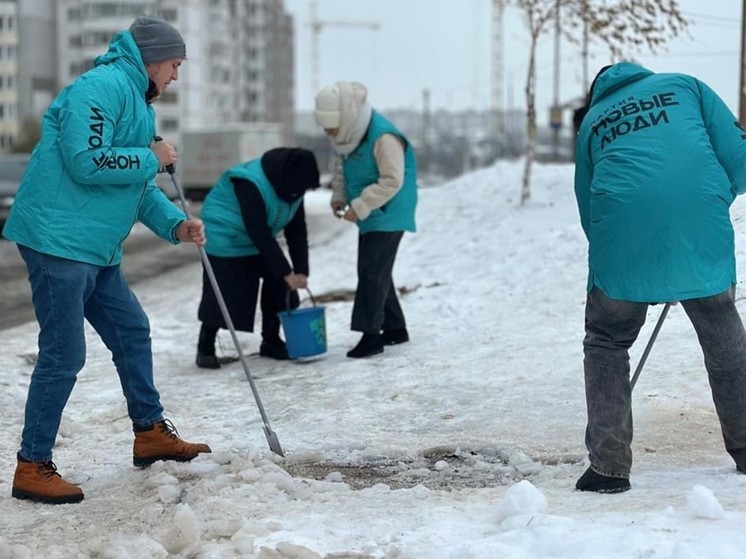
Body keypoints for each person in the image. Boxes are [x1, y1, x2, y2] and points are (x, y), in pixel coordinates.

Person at [2, 16, 212, 505]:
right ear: (154, 58)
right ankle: (32, 465)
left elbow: (135, 184)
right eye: (175, 65)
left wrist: (175, 224)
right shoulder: (99, 88)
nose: (176, 76)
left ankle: (150, 432)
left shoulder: (137, 104)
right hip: (58, 239)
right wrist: (151, 157)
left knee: (131, 329)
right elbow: (87, 159)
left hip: (95, 247)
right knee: (64, 353)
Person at [573, 61, 746, 494]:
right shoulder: (686, 85)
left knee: (607, 341)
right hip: (699, 227)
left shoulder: (593, 120)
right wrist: (712, 196)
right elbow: (739, 155)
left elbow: (585, 200)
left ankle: (608, 468)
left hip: (622, 240)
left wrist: (618, 254)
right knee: (724, 340)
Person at [314, 81, 417, 358]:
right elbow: (342, 168)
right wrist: (338, 195)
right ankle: (395, 329)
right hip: (373, 212)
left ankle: (371, 337)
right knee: (378, 269)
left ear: (345, 117)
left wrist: (358, 206)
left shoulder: (383, 137)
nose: (329, 133)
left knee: (371, 271)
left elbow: (392, 181)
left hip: (390, 211)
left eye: (331, 127)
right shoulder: (347, 136)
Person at [195, 147, 320, 368]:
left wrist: (300, 270)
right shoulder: (250, 182)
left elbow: (297, 229)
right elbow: (258, 230)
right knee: (223, 290)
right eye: (300, 188)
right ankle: (205, 345)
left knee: (280, 284)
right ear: (288, 178)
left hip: (255, 236)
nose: (301, 193)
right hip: (225, 235)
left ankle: (271, 340)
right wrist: (286, 271)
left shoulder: (293, 189)